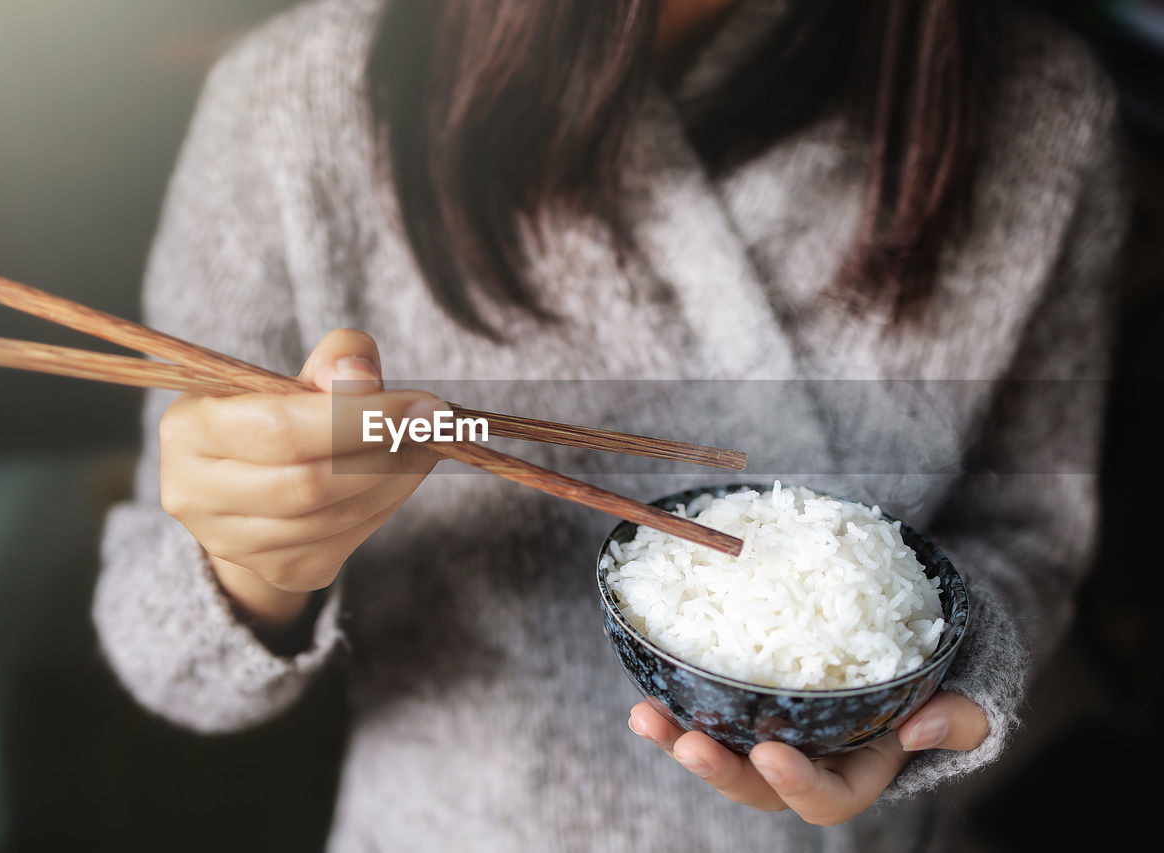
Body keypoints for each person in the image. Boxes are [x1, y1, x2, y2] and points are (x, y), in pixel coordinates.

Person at [93, 0, 1127, 849]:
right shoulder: (297, 102)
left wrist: (940, 690)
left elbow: (1027, 536)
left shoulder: (1042, 111)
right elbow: (165, 652)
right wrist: (253, 564)